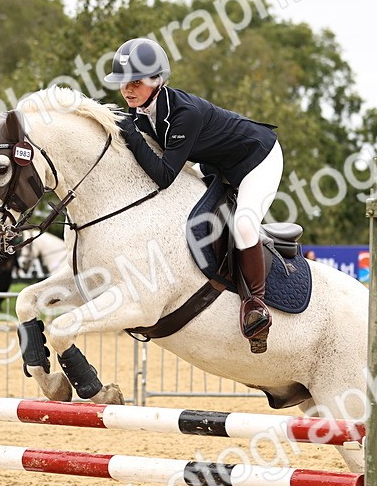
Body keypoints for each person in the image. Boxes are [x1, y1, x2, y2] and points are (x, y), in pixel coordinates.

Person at [107, 37, 282, 352]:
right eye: (123, 83)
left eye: (135, 81)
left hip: (257, 159)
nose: (127, 90)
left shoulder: (183, 112)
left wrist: (131, 134)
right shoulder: (139, 111)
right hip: (216, 165)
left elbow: (164, 176)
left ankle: (255, 305)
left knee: (243, 224)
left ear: (157, 80)